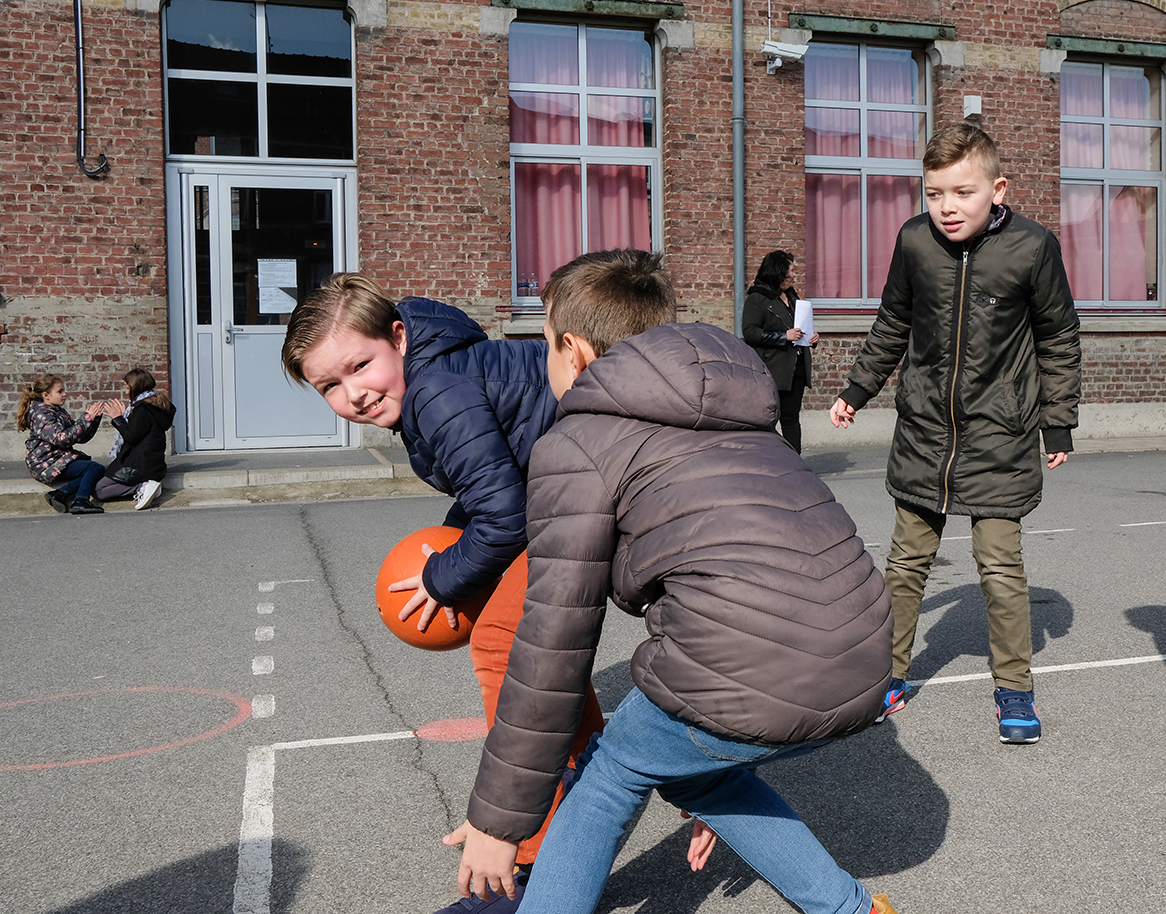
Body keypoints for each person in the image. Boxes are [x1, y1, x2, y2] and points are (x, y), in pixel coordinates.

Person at [442, 249, 900, 914]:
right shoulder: (741, 413)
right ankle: (851, 910)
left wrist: (498, 822)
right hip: (865, 656)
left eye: (544, 345)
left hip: (755, 661)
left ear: (574, 351)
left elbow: (551, 643)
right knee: (694, 771)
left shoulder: (577, 443)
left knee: (610, 773)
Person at [281, 273, 607, 914]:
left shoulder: (434, 390)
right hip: (572, 482)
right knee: (550, 672)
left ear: (398, 337)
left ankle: (533, 860)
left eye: (359, 366)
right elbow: (498, 474)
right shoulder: (434, 373)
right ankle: (591, 790)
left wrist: (442, 576)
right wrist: (460, 535)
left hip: (594, 482)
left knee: (503, 643)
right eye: (330, 387)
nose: (354, 394)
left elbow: (506, 515)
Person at [828, 123, 1081, 744]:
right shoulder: (914, 242)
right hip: (923, 434)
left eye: (961, 193)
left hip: (1000, 436)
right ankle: (887, 678)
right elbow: (892, 322)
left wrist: (1058, 422)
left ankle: (1015, 690)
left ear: (998, 190)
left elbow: (1058, 339)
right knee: (905, 561)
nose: (946, 207)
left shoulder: (1032, 247)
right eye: (934, 193)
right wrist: (856, 390)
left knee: (999, 567)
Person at [742, 249, 819, 452]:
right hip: (773, 369)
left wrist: (812, 337)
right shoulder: (757, 298)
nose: (794, 275)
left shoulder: (793, 297)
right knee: (768, 419)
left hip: (797, 368)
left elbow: (800, 329)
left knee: (791, 418)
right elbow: (749, 332)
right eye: (790, 271)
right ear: (778, 272)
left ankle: (796, 465)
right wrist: (783, 336)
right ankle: (768, 462)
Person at [16, 373, 109, 515]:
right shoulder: (41, 414)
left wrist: (93, 419)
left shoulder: (57, 411)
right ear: (46, 395)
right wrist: (86, 418)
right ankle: (81, 500)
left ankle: (59, 494)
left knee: (92, 471)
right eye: (60, 391)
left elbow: (79, 437)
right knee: (94, 468)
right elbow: (61, 438)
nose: (64, 394)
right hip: (45, 462)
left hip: (57, 458)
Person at [92, 368, 175, 511]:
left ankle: (142, 487)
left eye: (127, 387)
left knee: (99, 490)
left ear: (135, 387)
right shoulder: (152, 407)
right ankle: (145, 486)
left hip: (139, 465)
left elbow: (132, 437)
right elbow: (139, 432)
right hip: (150, 463)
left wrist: (117, 418)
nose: (125, 392)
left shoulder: (142, 409)